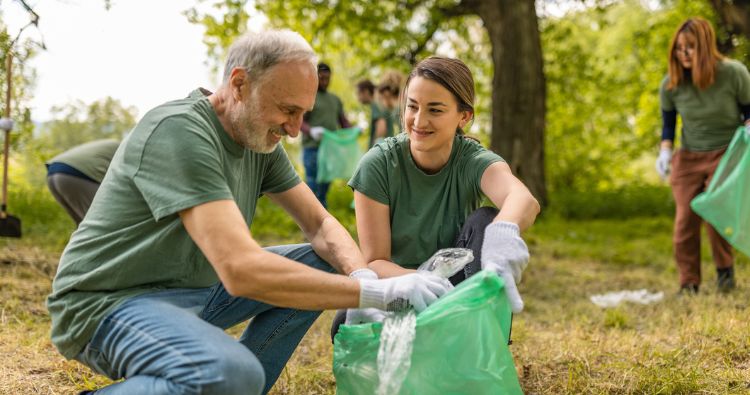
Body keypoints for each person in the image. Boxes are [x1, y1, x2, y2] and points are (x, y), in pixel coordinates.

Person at [46, 30, 453, 395]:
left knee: (327, 261)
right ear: (239, 84)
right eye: (287, 110)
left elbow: (321, 224)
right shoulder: (180, 130)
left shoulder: (261, 142)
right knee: (229, 372)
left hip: (195, 292)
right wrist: (378, 292)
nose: (295, 129)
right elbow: (240, 269)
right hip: (107, 305)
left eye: (303, 114)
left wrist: (360, 273)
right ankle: (229, 382)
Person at [331, 56, 540, 336]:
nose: (419, 121)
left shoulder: (471, 160)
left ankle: (479, 337)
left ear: (463, 116)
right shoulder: (378, 164)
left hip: (458, 288)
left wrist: (504, 231)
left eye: (435, 110)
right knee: (343, 322)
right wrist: (421, 281)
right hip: (400, 287)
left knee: (487, 220)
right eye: (412, 106)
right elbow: (375, 261)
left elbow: (521, 198)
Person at [657, 17, 750, 294]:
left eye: (691, 48)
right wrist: (665, 151)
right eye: (679, 48)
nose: (683, 54)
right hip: (688, 157)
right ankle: (689, 284)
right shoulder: (671, 85)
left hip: (726, 154)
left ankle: (725, 274)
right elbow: (668, 124)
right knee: (685, 220)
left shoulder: (733, 73)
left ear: (706, 47)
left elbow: (748, 109)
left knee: (714, 214)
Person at [300, 62, 352, 208]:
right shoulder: (309, 97)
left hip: (330, 149)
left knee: (325, 185)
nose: (324, 81)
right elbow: (299, 122)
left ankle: (322, 218)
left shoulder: (335, 100)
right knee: (312, 184)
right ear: (315, 77)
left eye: (327, 78)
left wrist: (354, 130)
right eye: (321, 78)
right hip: (312, 149)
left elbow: (343, 122)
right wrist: (311, 131)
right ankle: (310, 219)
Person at [45, 139, 120, 225]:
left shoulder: (117, 145)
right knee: (103, 224)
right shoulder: (128, 150)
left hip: (53, 173)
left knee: (82, 226)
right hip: (76, 173)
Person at [355, 79, 388, 148]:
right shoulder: (379, 104)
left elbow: (381, 125)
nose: (358, 98)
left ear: (366, 92)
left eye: (358, 93)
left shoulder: (376, 105)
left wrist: (376, 148)